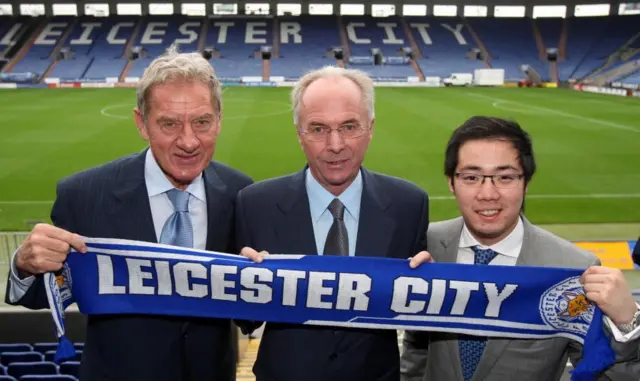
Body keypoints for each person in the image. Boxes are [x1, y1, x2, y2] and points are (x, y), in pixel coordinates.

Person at [5, 47, 253, 381]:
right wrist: (25, 264)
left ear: (219, 120)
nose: (189, 141)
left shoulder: (241, 192)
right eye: (169, 124)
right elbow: (45, 292)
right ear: (141, 123)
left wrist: (260, 279)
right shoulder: (85, 194)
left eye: (202, 122)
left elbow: (249, 314)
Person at [400, 116, 640, 381]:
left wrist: (628, 323)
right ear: (451, 183)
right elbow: (416, 349)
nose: (488, 193)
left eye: (505, 177)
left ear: (526, 182)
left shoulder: (574, 268)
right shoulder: (426, 245)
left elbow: (602, 373)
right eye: (471, 177)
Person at [235, 66, 431, 381]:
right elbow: (245, 323)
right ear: (299, 134)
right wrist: (240, 286)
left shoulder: (409, 205)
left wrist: (430, 284)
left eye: (349, 126)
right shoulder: (255, 204)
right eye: (318, 129)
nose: (335, 144)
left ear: (371, 128)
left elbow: (420, 321)